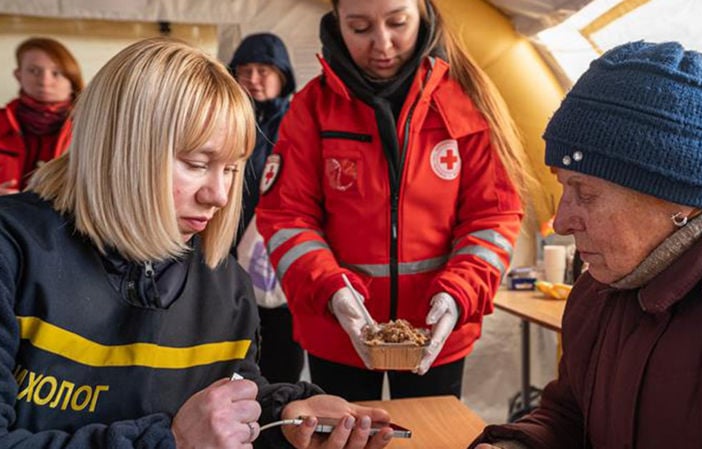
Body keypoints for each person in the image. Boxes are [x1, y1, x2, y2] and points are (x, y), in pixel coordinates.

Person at [0, 37, 394, 449]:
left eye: (232, 169)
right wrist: (171, 442)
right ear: (119, 147)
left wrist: (283, 419)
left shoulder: (226, 286)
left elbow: (226, 401)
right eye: (197, 164)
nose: (219, 196)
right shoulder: (13, 252)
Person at [471, 41, 702, 448]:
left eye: (586, 193)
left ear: (679, 197)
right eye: (564, 187)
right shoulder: (600, 288)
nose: (563, 221)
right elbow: (572, 413)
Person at [256, 0, 530, 401]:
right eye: (360, 28)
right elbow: (286, 216)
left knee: (430, 434)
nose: (382, 44)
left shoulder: (466, 103)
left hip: (436, 332)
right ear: (336, 23)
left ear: (423, 14)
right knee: (345, 433)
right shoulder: (312, 108)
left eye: (398, 23)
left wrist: (460, 292)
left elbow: (494, 216)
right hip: (337, 330)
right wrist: (331, 289)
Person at [229, 32, 305, 384]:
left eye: (264, 71)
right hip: (226, 253)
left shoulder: (297, 123)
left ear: (282, 75)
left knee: (281, 350)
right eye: (245, 71)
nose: (254, 79)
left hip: (277, 254)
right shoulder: (228, 120)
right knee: (233, 349)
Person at [0, 37, 83, 195]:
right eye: (34, 71)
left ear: (72, 78)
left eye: (56, 73)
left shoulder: (91, 127)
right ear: (18, 75)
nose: (45, 81)